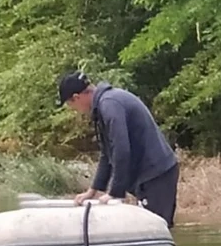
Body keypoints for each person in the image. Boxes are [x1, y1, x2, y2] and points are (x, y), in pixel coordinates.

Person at [57, 71, 180, 228]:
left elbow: (121, 150)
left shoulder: (110, 104)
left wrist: (115, 192)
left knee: (156, 228)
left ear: (77, 97)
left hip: (157, 173)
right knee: (147, 227)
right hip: (148, 176)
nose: (73, 109)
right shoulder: (103, 105)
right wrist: (93, 190)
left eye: (70, 104)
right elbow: (107, 155)